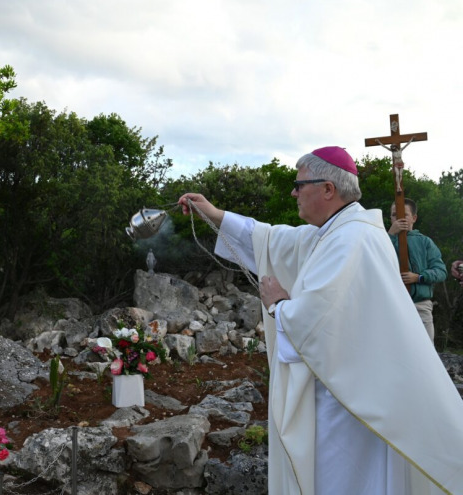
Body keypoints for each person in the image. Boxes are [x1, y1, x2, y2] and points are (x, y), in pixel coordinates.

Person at [178, 146, 463, 494]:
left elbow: (316, 321)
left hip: (348, 405)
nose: (294, 193)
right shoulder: (338, 230)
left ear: (328, 189)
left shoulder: (352, 238)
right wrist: (215, 213)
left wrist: (278, 305)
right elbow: (272, 238)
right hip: (350, 391)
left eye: (300, 185)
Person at [387, 198, 447, 340]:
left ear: (414, 218)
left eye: (404, 215)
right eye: (395, 215)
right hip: (392, 305)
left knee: (426, 352)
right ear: (390, 218)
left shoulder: (425, 242)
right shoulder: (383, 240)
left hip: (420, 305)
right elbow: (375, 261)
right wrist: (390, 235)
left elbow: (441, 271)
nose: (399, 218)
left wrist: (419, 277)